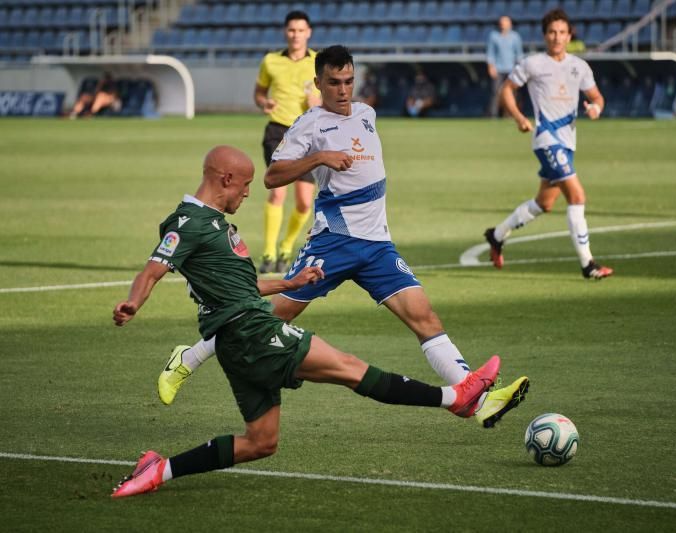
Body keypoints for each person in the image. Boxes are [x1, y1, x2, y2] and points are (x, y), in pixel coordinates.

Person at [158, 46, 530, 430]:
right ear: (318, 83)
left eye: (349, 81)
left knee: (424, 317)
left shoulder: (367, 113)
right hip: (332, 243)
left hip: (378, 246)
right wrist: (319, 158)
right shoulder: (309, 124)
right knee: (266, 316)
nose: (343, 89)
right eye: (334, 82)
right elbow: (272, 176)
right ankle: (188, 359)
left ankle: (478, 400)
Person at [111, 145, 501, 498]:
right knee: (350, 368)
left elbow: (243, 285)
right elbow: (151, 271)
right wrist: (132, 302)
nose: (248, 193)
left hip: (236, 341)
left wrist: (291, 282)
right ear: (225, 179)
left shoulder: (214, 222)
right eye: (244, 185)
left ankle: (158, 470)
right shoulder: (187, 222)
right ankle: (457, 398)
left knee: (261, 442)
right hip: (252, 332)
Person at [483, 9, 613, 280]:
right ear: (545, 35)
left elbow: (597, 98)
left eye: (562, 32)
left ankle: (496, 236)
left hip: (567, 143)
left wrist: (595, 109)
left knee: (544, 203)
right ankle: (588, 265)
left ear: (569, 35)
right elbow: (506, 89)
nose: (557, 37)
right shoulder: (533, 64)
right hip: (546, 140)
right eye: (552, 32)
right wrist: (518, 117)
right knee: (577, 196)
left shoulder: (580, 66)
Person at [255, 10, 321, 274]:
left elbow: (330, 96)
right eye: (292, 30)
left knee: (305, 202)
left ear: (309, 33)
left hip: (307, 134)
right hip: (278, 131)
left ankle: (286, 247)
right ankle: (269, 254)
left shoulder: (319, 61)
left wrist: (317, 103)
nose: (296, 35)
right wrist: (264, 102)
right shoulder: (270, 61)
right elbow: (259, 92)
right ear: (286, 32)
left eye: (301, 30)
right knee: (278, 191)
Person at [486, 16, 524, 118]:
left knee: (512, 93)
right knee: (495, 92)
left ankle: (511, 114)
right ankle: (493, 114)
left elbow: (519, 54)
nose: (502, 24)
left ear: (510, 24)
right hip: (498, 69)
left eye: (505, 22)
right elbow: (491, 53)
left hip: (511, 69)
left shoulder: (515, 37)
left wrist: (519, 68)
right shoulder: (493, 36)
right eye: (501, 22)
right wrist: (491, 66)